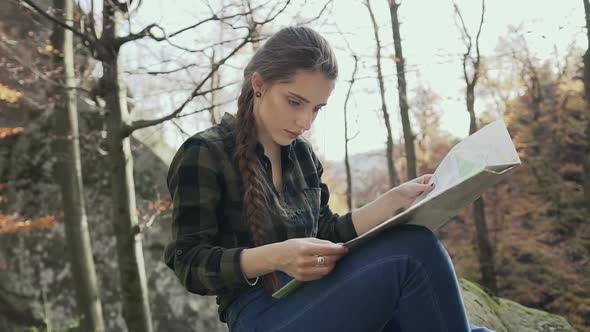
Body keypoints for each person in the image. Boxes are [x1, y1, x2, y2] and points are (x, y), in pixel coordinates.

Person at [163, 26, 493, 332]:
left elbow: (327, 232)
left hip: (320, 295)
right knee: (412, 251)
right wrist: (278, 256)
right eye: (295, 102)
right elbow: (189, 263)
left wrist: (391, 203)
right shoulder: (204, 153)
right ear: (259, 85)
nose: (305, 121)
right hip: (259, 314)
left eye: (317, 108)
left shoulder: (302, 156)